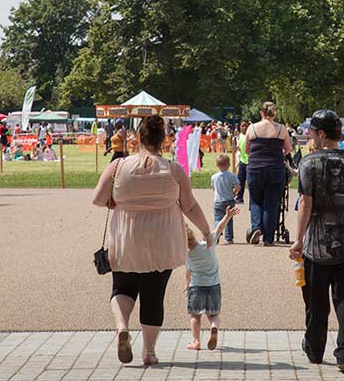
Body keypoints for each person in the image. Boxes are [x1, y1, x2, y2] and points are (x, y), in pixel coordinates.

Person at [91, 115, 211, 366]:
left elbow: (98, 199)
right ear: (163, 140)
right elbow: (189, 206)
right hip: (161, 242)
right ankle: (149, 352)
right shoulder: (173, 169)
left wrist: (115, 201)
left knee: (122, 287)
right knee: (153, 296)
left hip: (126, 239)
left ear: (137, 138)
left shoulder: (117, 167)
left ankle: (122, 326)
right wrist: (206, 231)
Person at [290, 109, 344, 374]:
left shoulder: (308, 164)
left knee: (316, 302)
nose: (310, 134)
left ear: (322, 134)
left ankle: (314, 349)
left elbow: (305, 204)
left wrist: (297, 241)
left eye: (312, 131)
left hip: (316, 246)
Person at [184, 205, 240, 351]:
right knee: (213, 314)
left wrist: (187, 284)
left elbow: (188, 273)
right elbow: (219, 229)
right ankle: (214, 327)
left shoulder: (188, 255)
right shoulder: (208, 245)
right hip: (213, 285)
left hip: (196, 286)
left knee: (195, 316)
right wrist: (227, 216)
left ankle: (196, 341)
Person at [244, 102, 291, 246]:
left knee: (256, 200)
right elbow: (288, 149)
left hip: (255, 168)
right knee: (271, 203)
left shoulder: (252, 128)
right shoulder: (281, 128)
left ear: (261, 113)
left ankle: (257, 228)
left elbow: (247, 150)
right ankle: (269, 238)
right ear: (274, 113)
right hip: (275, 168)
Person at [211, 154, 240, 244]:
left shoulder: (214, 177)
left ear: (217, 165)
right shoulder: (232, 176)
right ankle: (229, 238)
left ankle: (216, 235)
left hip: (218, 201)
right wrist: (235, 192)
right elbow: (238, 186)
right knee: (229, 219)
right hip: (229, 200)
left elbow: (213, 188)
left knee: (217, 218)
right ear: (229, 165)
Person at [235, 121, 249, 203]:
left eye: (246, 126)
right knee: (240, 181)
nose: (244, 127)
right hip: (242, 161)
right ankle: (239, 197)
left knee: (250, 182)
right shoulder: (240, 136)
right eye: (242, 126)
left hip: (249, 162)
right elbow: (239, 147)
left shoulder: (250, 136)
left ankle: (253, 200)